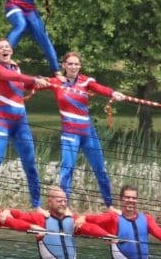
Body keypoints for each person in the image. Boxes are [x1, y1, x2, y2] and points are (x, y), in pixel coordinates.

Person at [48, 52, 125, 208]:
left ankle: (110, 206)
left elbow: (99, 88)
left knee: (100, 168)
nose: (73, 67)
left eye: (76, 64)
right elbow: (33, 83)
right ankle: (64, 208)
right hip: (70, 132)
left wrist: (113, 93)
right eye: (70, 64)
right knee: (67, 169)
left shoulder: (85, 81)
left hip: (88, 131)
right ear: (64, 65)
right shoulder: (56, 82)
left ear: (80, 66)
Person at [0, 39, 50, 209]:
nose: (5, 49)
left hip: (21, 123)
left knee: (30, 164)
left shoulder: (16, 68)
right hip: (1, 122)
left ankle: (36, 205)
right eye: (1, 48)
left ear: (11, 50)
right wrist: (35, 79)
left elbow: (25, 83)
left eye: (7, 47)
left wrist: (49, 82)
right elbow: (14, 77)